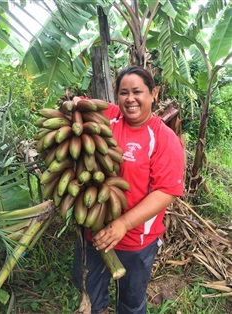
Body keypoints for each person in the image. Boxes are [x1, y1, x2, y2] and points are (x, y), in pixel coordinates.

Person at [72, 66, 184, 314]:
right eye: (124, 92)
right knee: (89, 292)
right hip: (95, 231)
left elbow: (166, 191)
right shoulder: (109, 117)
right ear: (116, 94)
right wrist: (76, 102)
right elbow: (83, 104)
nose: (130, 99)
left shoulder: (163, 138)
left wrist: (122, 224)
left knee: (131, 302)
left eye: (137, 92)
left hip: (136, 240)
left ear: (153, 93)